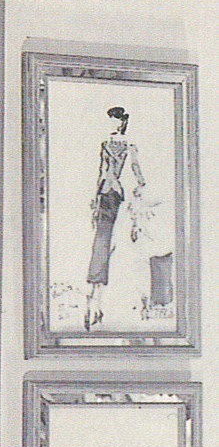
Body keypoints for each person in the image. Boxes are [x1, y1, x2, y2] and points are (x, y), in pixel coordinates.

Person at [85, 106, 147, 331]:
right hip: (106, 195)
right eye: (110, 120)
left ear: (122, 122)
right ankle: (95, 300)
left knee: (121, 248)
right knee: (101, 245)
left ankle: (121, 303)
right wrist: (95, 200)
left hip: (121, 197)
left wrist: (137, 193)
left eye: (115, 120)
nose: (112, 123)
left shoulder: (130, 145)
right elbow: (101, 172)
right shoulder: (105, 144)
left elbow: (137, 173)